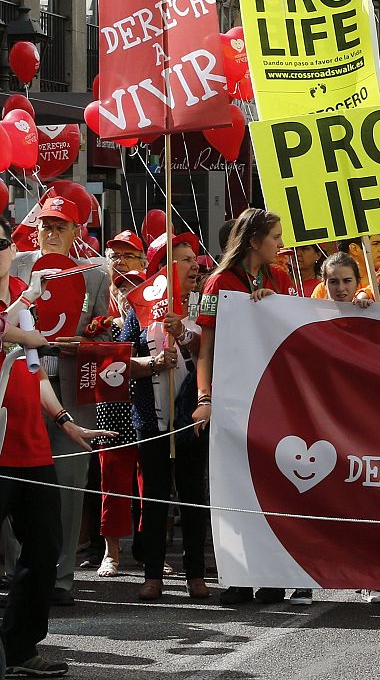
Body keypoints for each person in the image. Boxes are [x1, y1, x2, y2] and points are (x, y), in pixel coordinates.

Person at [1, 216, 114, 678]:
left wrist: (66, 422)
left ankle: (21, 648)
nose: (11, 249)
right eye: (4, 244)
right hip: (1, 450)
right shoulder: (18, 303)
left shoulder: (17, 294)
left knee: (44, 550)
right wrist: (26, 329)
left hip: (33, 451)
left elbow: (35, 370)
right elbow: (22, 339)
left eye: (6, 240)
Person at [194, 208, 294, 606]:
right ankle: (236, 578)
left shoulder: (281, 278)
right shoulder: (218, 283)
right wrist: (205, 399)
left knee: (272, 487)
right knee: (233, 488)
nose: (280, 244)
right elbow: (206, 349)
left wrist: (272, 307)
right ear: (254, 241)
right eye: (274, 237)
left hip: (272, 401)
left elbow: (293, 332)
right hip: (232, 403)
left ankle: (271, 576)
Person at [126, 231, 210, 601]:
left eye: (194, 259)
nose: (195, 265)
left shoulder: (204, 308)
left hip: (192, 419)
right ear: (164, 269)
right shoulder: (137, 309)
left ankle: (195, 573)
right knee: (155, 498)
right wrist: (153, 362)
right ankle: (152, 574)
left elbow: (213, 354)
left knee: (193, 495)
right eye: (185, 259)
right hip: (152, 421)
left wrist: (187, 338)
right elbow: (120, 362)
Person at [89, 230, 148, 579]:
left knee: (149, 482)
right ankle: (110, 553)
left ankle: (148, 548)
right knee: (111, 478)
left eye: (128, 256)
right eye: (115, 255)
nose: (121, 262)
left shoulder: (151, 299)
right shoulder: (97, 299)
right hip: (107, 403)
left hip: (144, 401)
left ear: (143, 263)